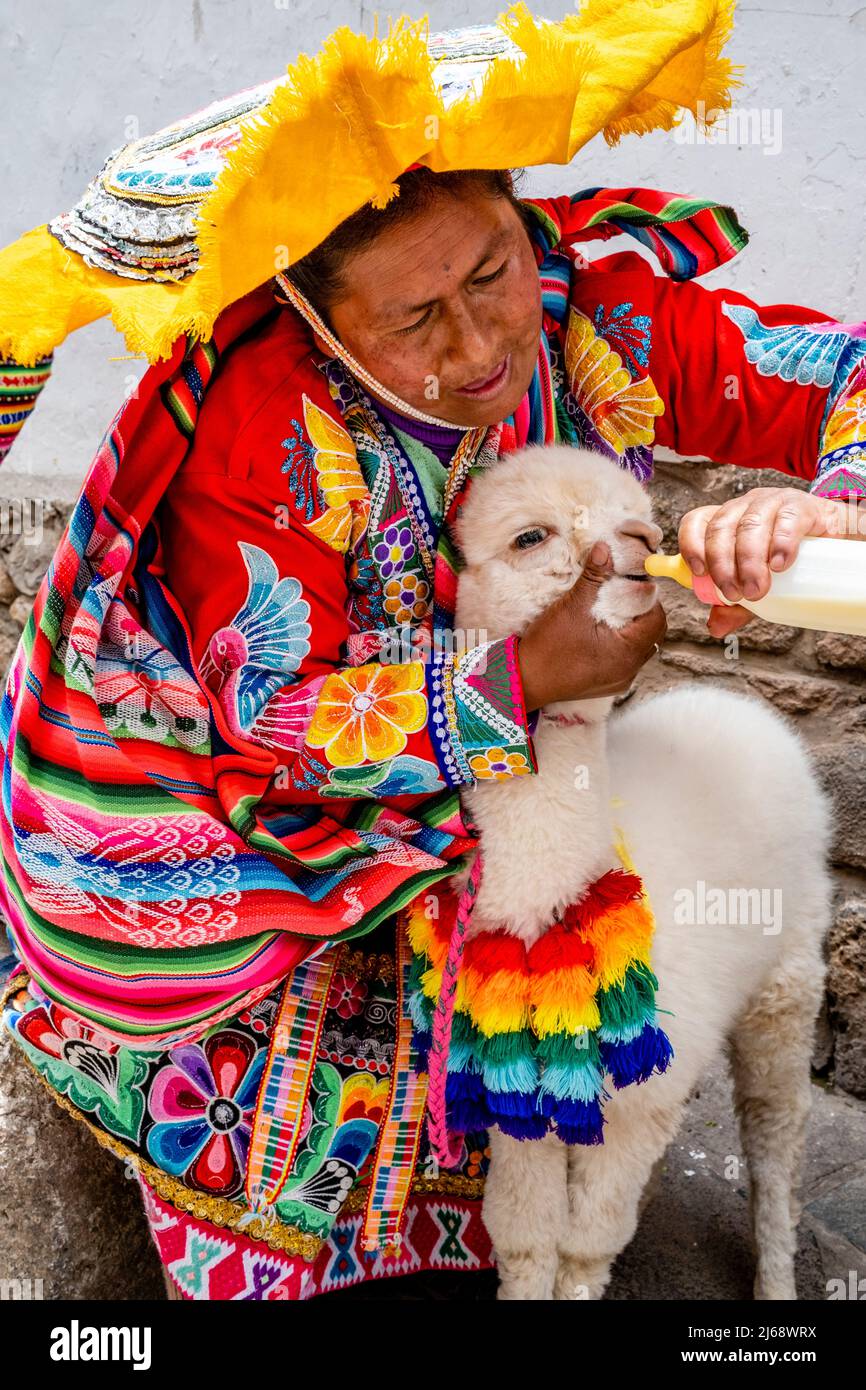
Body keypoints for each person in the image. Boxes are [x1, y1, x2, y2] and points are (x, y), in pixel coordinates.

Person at [1, 10, 865, 1301]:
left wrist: (823, 499)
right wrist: (523, 681)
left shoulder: (592, 310)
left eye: (490, 270)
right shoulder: (260, 426)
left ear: (523, 218)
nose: (478, 347)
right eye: (414, 317)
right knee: (285, 1074)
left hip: (464, 774)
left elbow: (842, 373)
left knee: (539, 902)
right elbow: (272, 725)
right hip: (216, 810)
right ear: (311, 307)